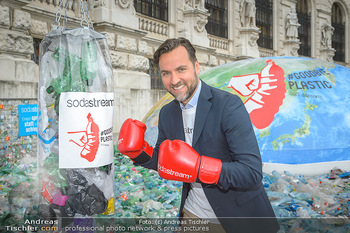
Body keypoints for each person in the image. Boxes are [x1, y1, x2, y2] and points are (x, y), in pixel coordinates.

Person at [118, 37, 280, 233]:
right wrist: (138, 152)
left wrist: (200, 168)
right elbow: (163, 160)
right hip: (193, 215)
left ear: (196, 66)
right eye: (166, 73)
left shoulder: (228, 105)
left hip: (238, 217)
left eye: (181, 69)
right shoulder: (168, 112)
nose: (174, 80)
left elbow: (251, 172)